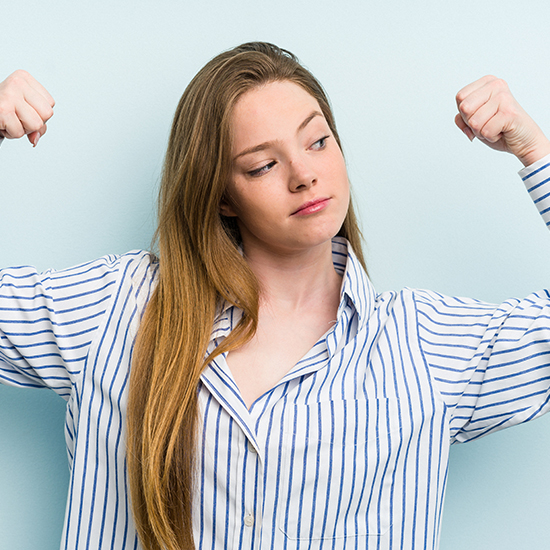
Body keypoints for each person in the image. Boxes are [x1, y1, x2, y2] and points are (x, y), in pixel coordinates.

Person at [1, 42, 550, 550]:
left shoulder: (428, 346)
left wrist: (535, 150)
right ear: (221, 197)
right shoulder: (114, 309)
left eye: (317, 141)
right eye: (263, 164)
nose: (305, 174)